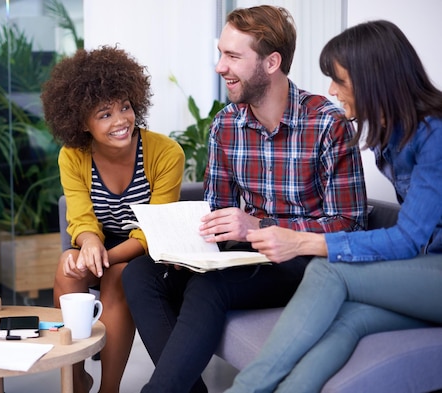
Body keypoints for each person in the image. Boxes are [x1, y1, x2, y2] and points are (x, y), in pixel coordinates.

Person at [121, 5, 368, 393]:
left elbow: (351, 226)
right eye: (221, 53)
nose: (220, 66)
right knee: (138, 274)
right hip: (244, 257)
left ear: (272, 62)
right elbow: (218, 210)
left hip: (302, 263)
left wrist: (261, 226)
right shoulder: (225, 125)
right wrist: (187, 244)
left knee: (211, 287)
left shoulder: (326, 123)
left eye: (233, 56)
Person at [226, 19, 442, 393]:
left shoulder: (436, 135)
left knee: (328, 273)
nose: (331, 90)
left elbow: (408, 239)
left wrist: (302, 242)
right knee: (348, 321)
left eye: (339, 80)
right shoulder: (390, 135)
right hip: (426, 269)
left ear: (374, 79)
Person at [40, 46, 185, 393]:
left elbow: (155, 231)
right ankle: (75, 378)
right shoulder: (73, 155)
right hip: (101, 245)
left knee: (119, 276)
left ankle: (109, 388)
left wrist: (105, 257)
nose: (121, 120)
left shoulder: (166, 153)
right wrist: (89, 243)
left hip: (149, 252)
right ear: (81, 123)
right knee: (66, 265)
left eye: (125, 107)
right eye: (104, 114)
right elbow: (79, 217)